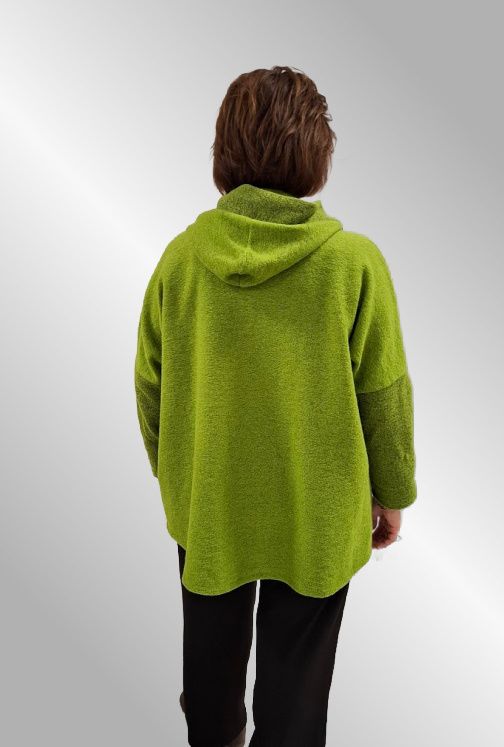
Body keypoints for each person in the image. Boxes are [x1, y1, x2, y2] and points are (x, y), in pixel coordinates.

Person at [134, 65, 417, 747]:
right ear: (317, 157)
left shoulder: (182, 260)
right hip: (318, 508)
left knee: (210, 652)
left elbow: (150, 381)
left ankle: (216, 733)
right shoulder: (352, 263)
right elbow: (383, 391)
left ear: (222, 153)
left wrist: (175, 472)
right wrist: (392, 492)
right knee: (299, 678)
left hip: (210, 497)